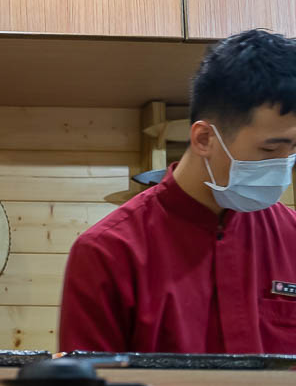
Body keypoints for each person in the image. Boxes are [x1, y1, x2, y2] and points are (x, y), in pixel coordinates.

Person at [59, 29, 296, 354]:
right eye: (271, 150)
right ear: (204, 140)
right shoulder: (109, 255)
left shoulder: (292, 237)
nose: (285, 166)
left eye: (294, 149)